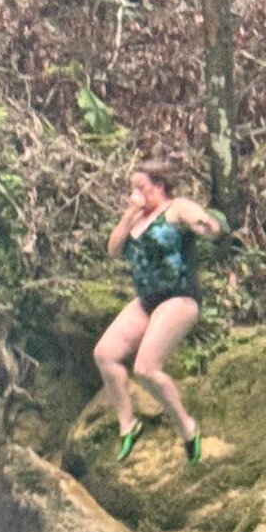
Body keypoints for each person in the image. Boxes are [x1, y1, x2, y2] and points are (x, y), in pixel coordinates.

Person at [93, 161, 224, 466]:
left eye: (142, 187)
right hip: (147, 299)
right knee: (105, 353)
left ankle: (187, 427)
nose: (136, 194)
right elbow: (113, 249)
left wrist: (207, 224)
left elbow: (200, 220)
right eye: (133, 188)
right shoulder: (137, 218)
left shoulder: (174, 208)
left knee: (146, 369)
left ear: (160, 186)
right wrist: (129, 214)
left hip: (179, 296)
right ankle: (128, 424)